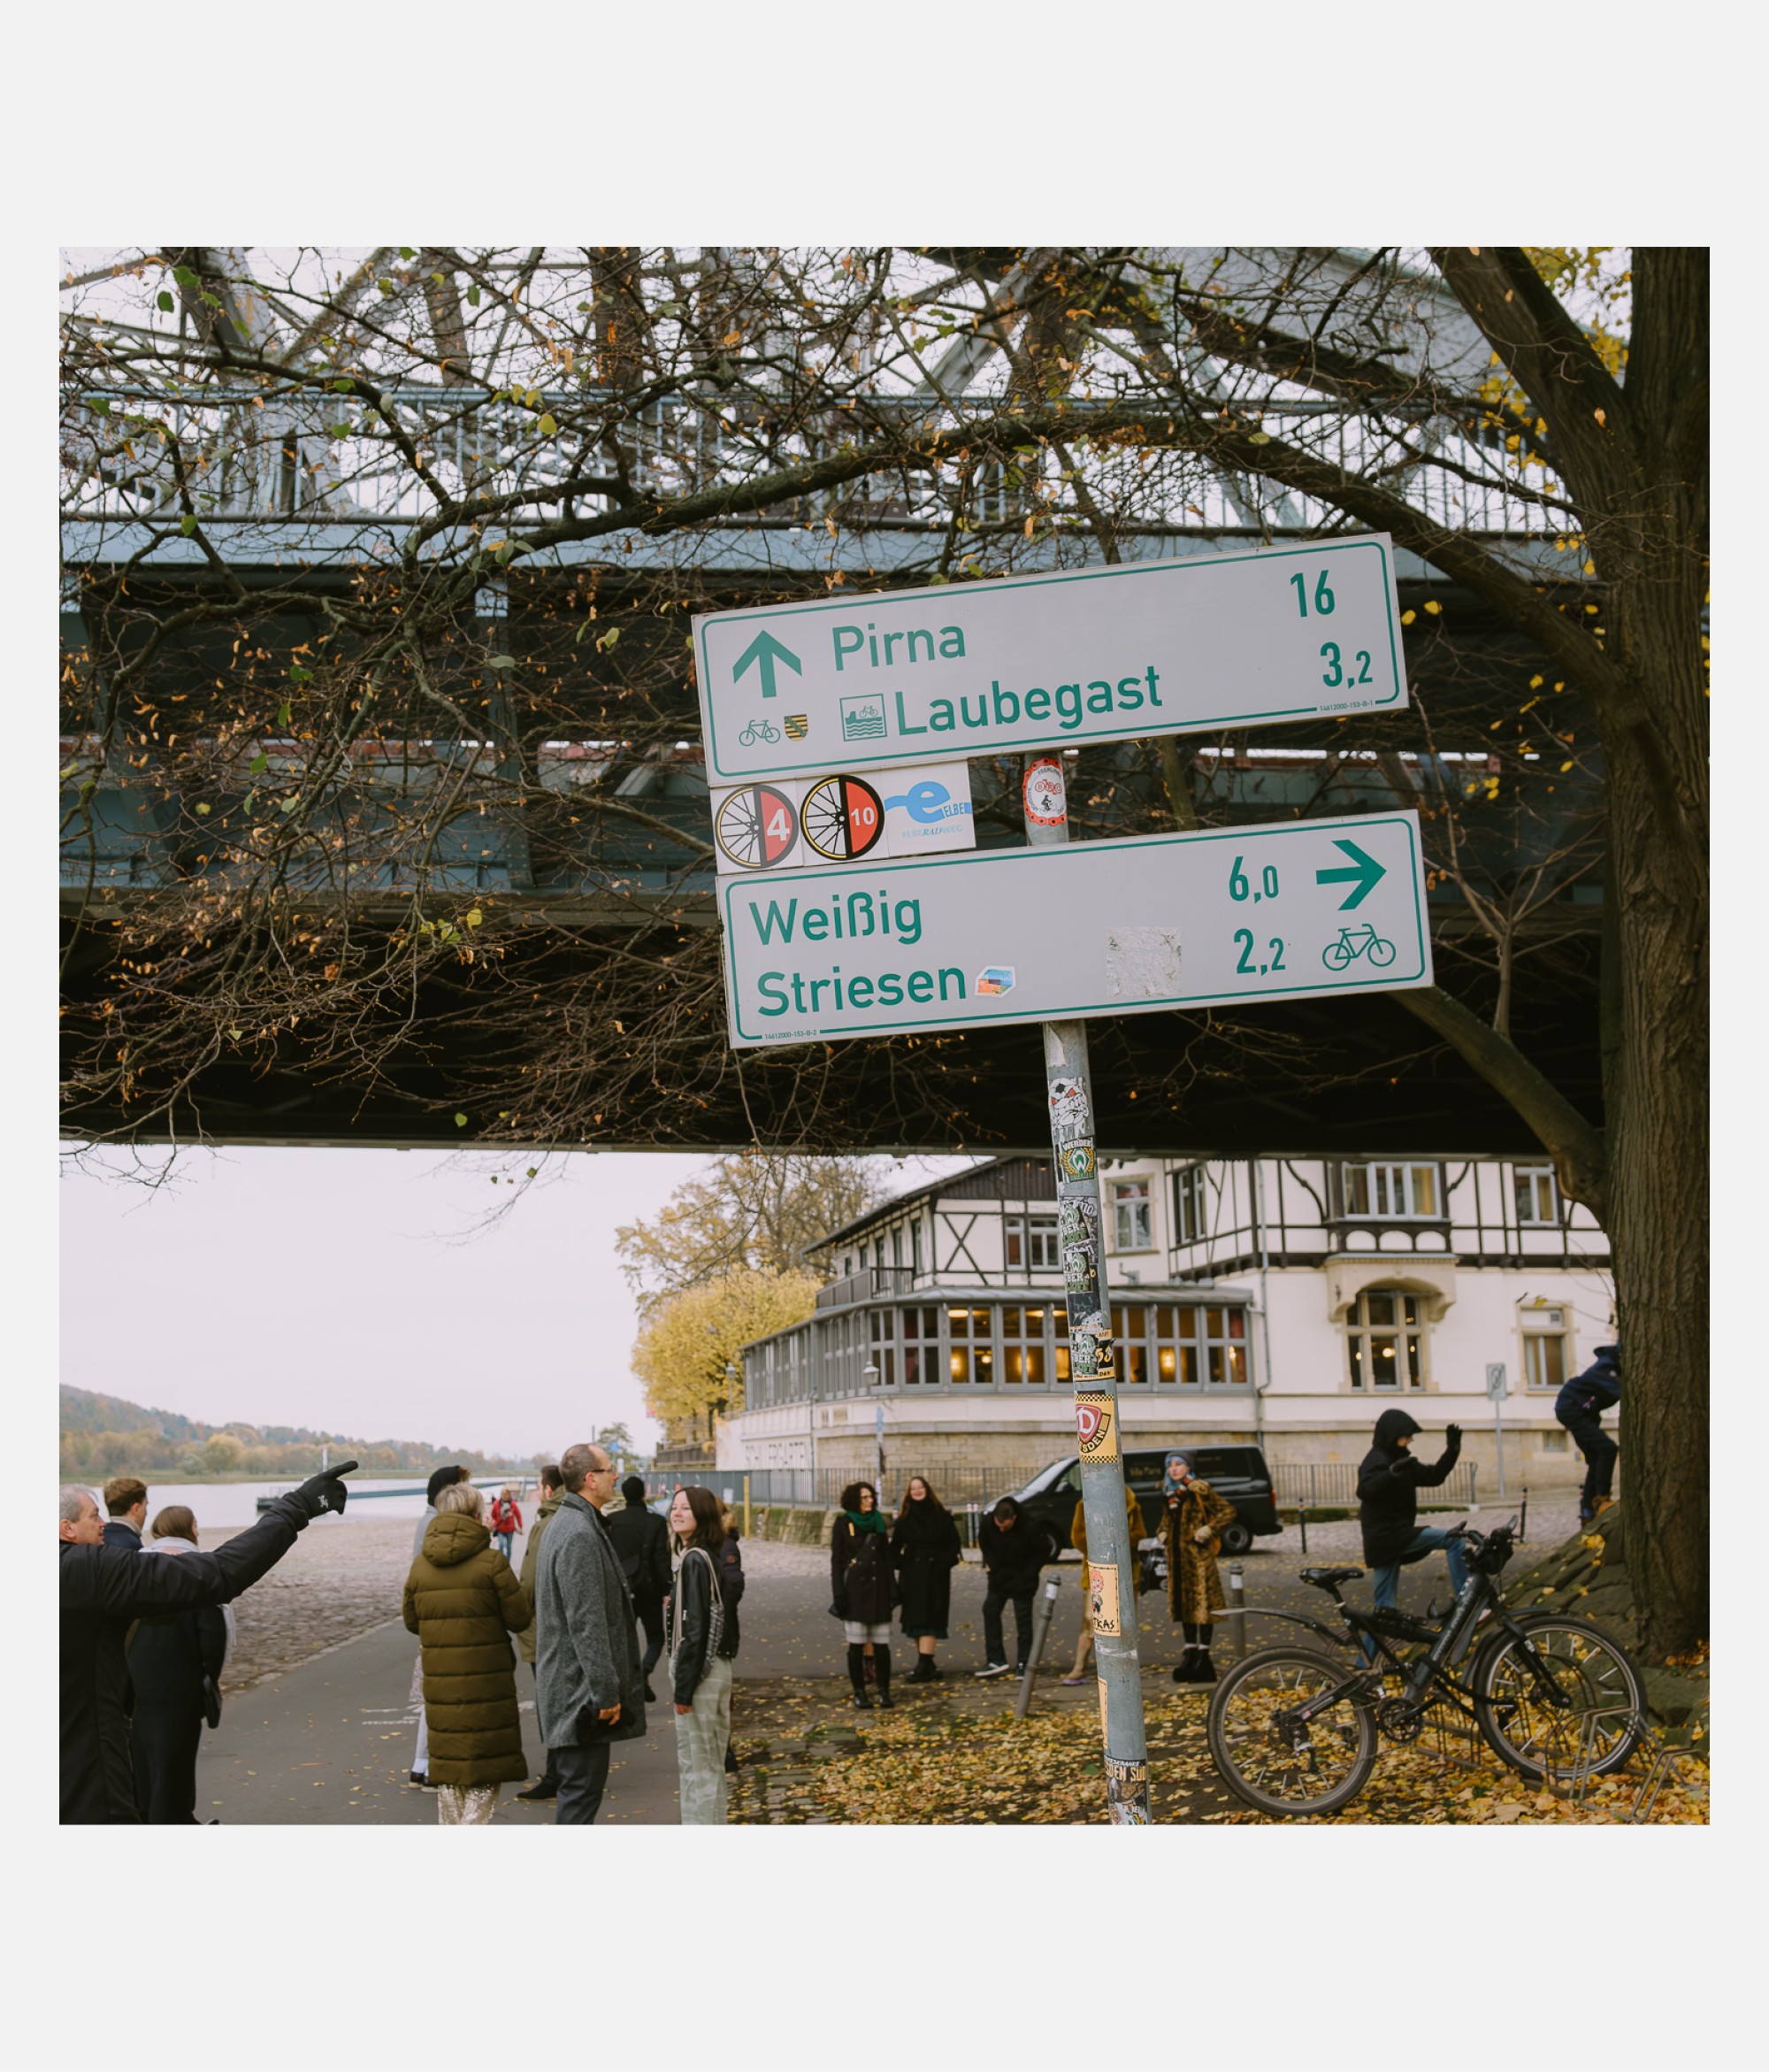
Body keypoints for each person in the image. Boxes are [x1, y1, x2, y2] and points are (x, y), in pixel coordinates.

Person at [59, 1462, 356, 1823]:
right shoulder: (84, 1570)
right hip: (89, 1775)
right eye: (94, 1517)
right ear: (67, 1529)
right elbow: (217, 1574)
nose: (103, 1524)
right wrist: (296, 1508)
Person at [402, 1480, 532, 1825]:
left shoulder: (420, 1566)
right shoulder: (491, 1563)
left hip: (441, 1683)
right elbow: (519, 1618)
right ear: (477, 1515)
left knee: (450, 1773)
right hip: (486, 1684)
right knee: (483, 1776)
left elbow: (412, 1622)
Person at [534, 1443, 646, 1825]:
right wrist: (605, 1692)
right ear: (590, 1478)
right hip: (577, 1695)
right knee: (579, 1801)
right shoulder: (578, 1532)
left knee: (578, 1799)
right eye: (609, 1468)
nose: (616, 1475)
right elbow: (586, 1622)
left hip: (569, 1689)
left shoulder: (568, 1522)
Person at [128, 1506, 231, 1824]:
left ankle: (146, 1815)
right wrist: (207, 1678)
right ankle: (174, 1819)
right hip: (181, 1687)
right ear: (189, 1529)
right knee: (176, 1762)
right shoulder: (198, 1571)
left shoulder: (133, 1567)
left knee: (143, 1760)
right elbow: (213, 1637)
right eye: (196, 1525)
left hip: (138, 1685)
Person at [1356, 1409, 1471, 1644]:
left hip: (1389, 1540)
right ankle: (1467, 1601)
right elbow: (1365, 1491)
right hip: (1388, 1537)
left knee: (1384, 1612)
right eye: (1407, 1435)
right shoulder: (1376, 1460)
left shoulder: (1403, 1460)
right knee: (1453, 1539)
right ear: (1392, 1435)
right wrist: (1390, 1474)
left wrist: (1452, 1450)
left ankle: (1363, 1669)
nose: (1411, 1439)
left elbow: (1434, 1476)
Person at [664, 1485, 739, 1823]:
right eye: (674, 1507)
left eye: (686, 1509)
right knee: (708, 1763)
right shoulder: (706, 1555)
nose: (676, 1513)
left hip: (700, 1674)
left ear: (702, 1516)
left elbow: (696, 1630)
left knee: (698, 1766)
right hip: (714, 1669)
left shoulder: (695, 1559)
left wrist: (684, 1686)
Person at [408, 1464, 468, 1787]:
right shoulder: (437, 1525)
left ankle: (423, 1765)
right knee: (442, 1697)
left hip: (433, 1620)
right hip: (443, 1622)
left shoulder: (428, 1521)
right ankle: (430, 1767)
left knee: (435, 1697)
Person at [1156, 1453, 1238, 1684]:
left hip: (1198, 1559)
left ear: (1188, 1467)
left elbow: (1228, 1511)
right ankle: (1190, 1654)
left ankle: (1204, 1657)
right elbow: (1166, 1520)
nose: (1174, 1469)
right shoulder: (1168, 1492)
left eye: (1178, 1465)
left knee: (1203, 1608)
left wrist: (1208, 1529)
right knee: (1184, 1608)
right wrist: (1161, 1532)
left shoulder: (1199, 1490)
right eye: (1170, 1465)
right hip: (1177, 1560)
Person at [1062, 1479, 1148, 1684]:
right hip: (1097, 1573)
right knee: (1091, 1620)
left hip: (1126, 1571)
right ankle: (1079, 1667)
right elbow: (1078, 1536)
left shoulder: (1131, 1503)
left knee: (1125, 1621)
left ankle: (1125, 1667)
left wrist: (1118, 1541)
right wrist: (1102, 1547)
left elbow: (1140, 1534)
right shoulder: (1084, 1504)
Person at [515, 1463, 565, 1802]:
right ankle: (565, 1768)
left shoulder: (545, 1524)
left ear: (547, 1489)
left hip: (543, 1629)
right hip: (566, 1626)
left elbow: (529, 1582)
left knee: (550, 1704)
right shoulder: (578, 1517)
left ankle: (556, 1774)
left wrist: (517, 1616)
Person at [603, 1474, 672, 1701]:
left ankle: (627, 1684)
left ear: (624, 1494)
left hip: (623, 1590)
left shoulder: (612, 1521)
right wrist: (667, 1590)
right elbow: (662, 1559)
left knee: (624, 1639)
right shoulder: (656, 1522)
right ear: (643, 1494)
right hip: (650, 1589)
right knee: (656, 1638)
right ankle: (644, 1670)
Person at [830, 1480, 896, 1708]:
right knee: (856, 1646)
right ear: (854, 1500)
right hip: (855, 1592)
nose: (869, 1501)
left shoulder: (878, 1522)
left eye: (871, 1497)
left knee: (882, 1646)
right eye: (864, 1497)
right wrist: (839, 1594)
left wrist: (893, 1590)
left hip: (879, 1591)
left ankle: (884, 1691)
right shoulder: (843, 1523)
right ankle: (859, 1692)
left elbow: (887, 1560)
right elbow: (837, 1563)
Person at [889, 1476, 962, 1681]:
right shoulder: (905, 1518)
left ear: (927, 1490)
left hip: (936, 1574)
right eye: (913, 1489)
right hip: (912, 1575)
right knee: (915, 1619)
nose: (918, 1491)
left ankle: (924, 1665)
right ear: (909, 1494)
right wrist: (904, 1564)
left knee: (931, 1617)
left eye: (920, 1487)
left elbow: (954, 1544)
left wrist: (944, 1562)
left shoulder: (942, 1516)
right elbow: (894, 1547)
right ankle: (926, 1664)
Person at [975, 1496, 1045, 1679]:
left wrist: (1029, 1573)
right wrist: (994, 1566)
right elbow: (984, 1543)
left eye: (1005, 1526)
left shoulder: (1030, 1526)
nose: (1001, 1529)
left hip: (1022, 1578)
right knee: (990, 1610)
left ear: (1013, 1518)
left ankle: (1024, 1662)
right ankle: (996, 1659)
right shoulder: (988, 1524)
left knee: (1023, 1620)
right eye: (999, 1526)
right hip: (1000, 1577)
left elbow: (1041, 1551)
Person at [1557, 1343, 1621, 1524]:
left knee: (1595, 1458)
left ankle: (1588, 1511)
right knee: (1608, 1448)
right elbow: (1617, 1389)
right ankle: (1602, 1498)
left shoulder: (1610, 1364)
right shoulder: (1607, 1365)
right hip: (1572, 1409)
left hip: (1575, 1409)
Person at [102, 1476, 148, 1553]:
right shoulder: (132, 1546)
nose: (147, 1513)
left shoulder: (99, 1539)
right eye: (145, 1506)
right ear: (136, 1509)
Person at [488, 1486, 523, 1559]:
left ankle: (507, 1562)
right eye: (503, 1494)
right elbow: (493, 1515)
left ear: (509, 1495)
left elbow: (518, 1515)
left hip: (510, 1529)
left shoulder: (512, 1504)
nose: (505, 1496)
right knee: (501, 1544)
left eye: (507, 1494)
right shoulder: (496, 1504)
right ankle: (501, 1560)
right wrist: (496, 1522)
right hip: (500, 1528)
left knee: (508, 1546)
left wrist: (520, 1526)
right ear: (501, 1494)